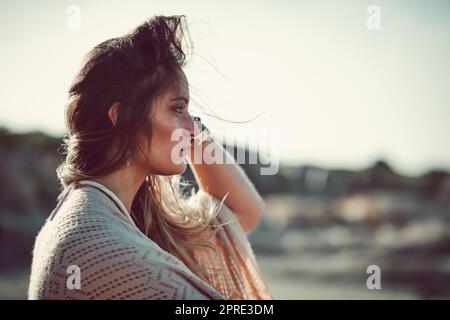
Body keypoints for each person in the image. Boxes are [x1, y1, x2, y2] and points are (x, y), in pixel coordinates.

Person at [28, 14, 272, 300]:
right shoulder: (105, 247)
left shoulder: (108, 215)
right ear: (121, 117)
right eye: (178, 108)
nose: (193, 129)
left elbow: (243, 211)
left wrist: (191, 129)